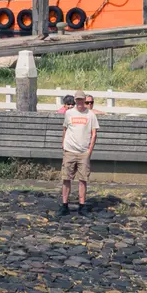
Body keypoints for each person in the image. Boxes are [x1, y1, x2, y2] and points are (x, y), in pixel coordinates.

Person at [58, 89, 100, 217]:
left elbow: (94, 134)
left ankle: (82, 205)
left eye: (83, 100)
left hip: (83, 152)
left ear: (85, 101)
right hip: (70, 150)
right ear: (75, 100)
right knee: (66, 178)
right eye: (78, 99)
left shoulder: (91, 115)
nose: (80, 102)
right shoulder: (69, 113)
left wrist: (89, 151)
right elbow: (65, 129)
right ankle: (65, 205)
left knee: (83, 179)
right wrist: (63, 144)